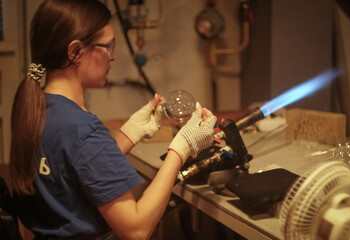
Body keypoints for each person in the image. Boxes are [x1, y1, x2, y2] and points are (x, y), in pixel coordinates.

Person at [9, 0, 217, 239]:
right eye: (108, 46)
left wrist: (127, 135)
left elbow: (71, 172)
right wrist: (182, 147)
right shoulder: (81, 128)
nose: (113, 56)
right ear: (75, 52)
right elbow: (136, 229)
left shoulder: (36, 108)